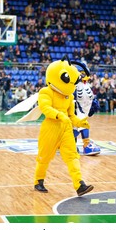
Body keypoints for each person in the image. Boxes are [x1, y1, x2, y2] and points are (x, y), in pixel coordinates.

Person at [34, 57, 94, 196]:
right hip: (51, 128)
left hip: (66, 128)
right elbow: (45, 107)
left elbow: (71, 115)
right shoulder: (46, 91)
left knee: (72, 156)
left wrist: (80, 122)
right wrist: (59, 115)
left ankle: (79, 185)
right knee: (44, 157)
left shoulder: (69, 97)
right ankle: (38, 181)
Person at [73, 65, 100, 155]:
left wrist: (94, 103)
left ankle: (69, 144)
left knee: (76, 128)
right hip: (76, 110)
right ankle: (86, 145)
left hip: (84, 111)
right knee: (83, 125)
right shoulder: (74, 85)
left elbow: (89, 97)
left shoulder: (87, 85)